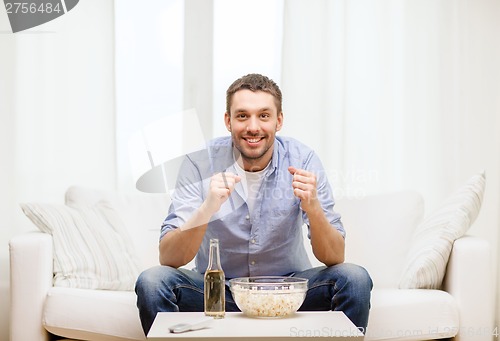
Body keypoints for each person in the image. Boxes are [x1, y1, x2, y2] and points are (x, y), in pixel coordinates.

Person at [135, 73, 372, 335]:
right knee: (152, 281)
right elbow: (169, 257)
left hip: (287, 293)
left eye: (264, 115)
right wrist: (208, 207)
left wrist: (313, 207)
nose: (253, 127)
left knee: (355, 278)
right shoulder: (198, 163)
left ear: (278, 120)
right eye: (242, 116)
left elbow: (335, 256)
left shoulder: (303, 159)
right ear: (228, 120)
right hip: (217, 293)